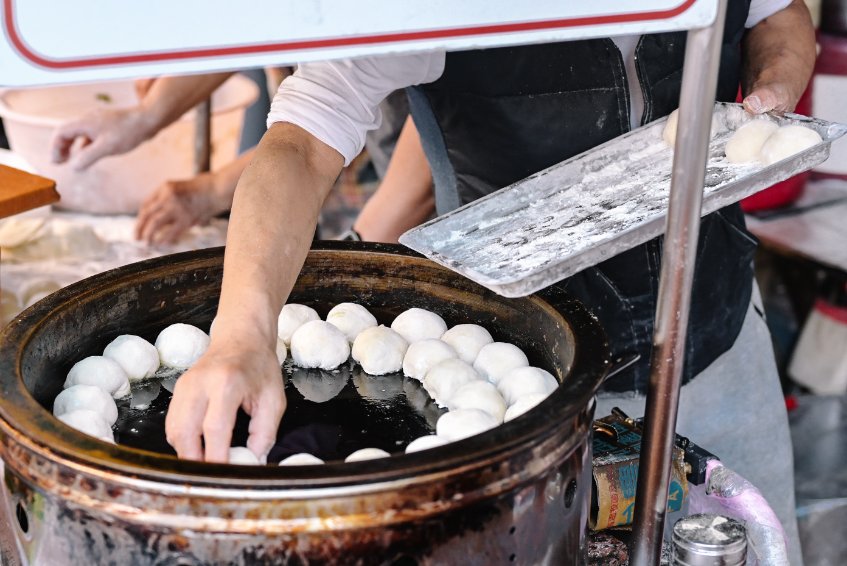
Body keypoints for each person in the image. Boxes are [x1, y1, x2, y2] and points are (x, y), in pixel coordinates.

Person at [148, 0, 814, 561]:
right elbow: (299, 143)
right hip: (523, 385)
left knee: (755, 545)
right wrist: (241, 330)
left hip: (720, 330)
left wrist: (773, 88)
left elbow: (777, 17)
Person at [51, 74, 424, 244]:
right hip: (342, 163)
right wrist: (147, 115)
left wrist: (360, 247)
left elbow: (323, 131)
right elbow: (311, 124)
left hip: (426, 201)